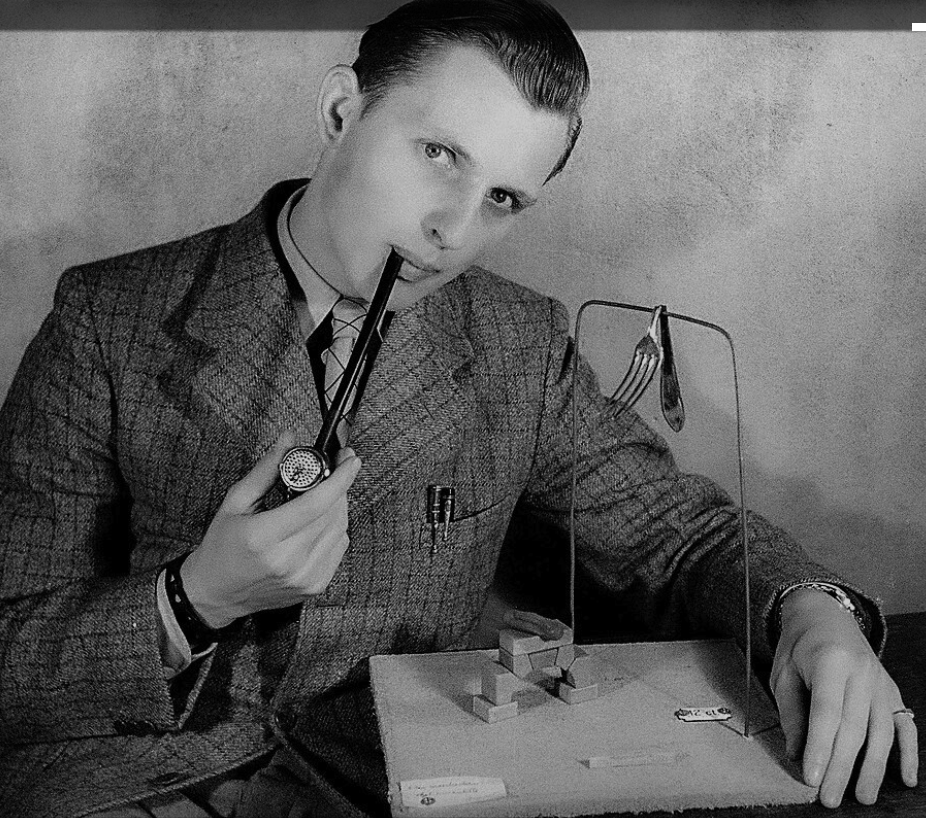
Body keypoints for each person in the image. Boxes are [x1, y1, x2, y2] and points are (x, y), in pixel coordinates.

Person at [0, 1, 917, 816]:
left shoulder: (519, 345)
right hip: (129, 776)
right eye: (438, 154)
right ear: (341, 111)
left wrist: (814, 613)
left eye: (503, 198)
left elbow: (675, 536)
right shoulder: (108, 317)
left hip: (395, 776)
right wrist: (195, 596)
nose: (453, 230)